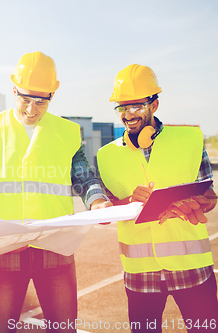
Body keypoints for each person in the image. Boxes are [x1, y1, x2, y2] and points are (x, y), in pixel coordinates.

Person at [0, 51, 112, 333]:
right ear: (13, 89)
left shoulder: (67, 132)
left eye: (41, 101)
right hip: (6, 252)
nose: (32, 109)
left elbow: (84, 177)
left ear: (53, 94)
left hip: (55, 250)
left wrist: (98, 200)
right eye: (25, 99)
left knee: (63, 329)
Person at [97, 64, 218, 333]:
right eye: (122, 108)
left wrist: (198, 202)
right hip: (141, 274)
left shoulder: (189, 139)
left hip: (192, 267)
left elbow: (210, 194)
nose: (128, 115)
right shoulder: (106, 156)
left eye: (136, 107)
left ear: (155, 104)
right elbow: (105, 210)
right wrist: (127, 203)